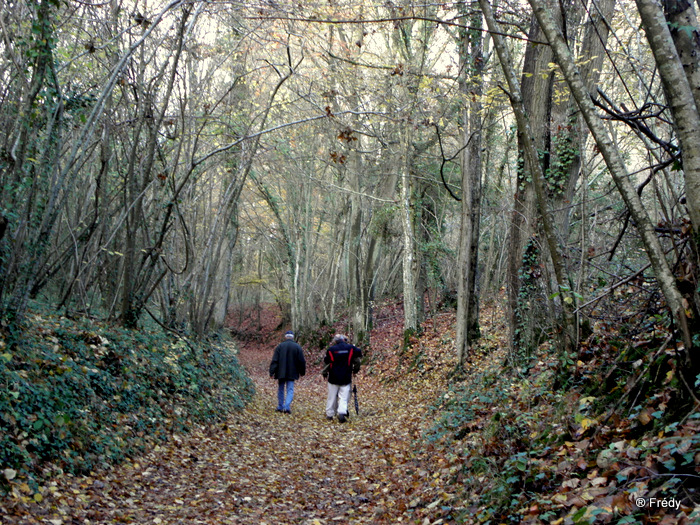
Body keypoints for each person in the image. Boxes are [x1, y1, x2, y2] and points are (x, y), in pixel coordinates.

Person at [323, 334, 361, 423]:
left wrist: (324, 373)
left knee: (331, 397)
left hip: (333, 377)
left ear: (335, 341)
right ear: (344, 340)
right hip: (346, 376)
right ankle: (341, 412)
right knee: (344, 397)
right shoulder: (351, 348)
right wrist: (355, 370)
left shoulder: (331, 350)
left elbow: (326, 363)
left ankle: (330, 414)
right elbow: (358, 357)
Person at [269, 330, 306, 414]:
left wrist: (272, 372)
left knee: (281, 389)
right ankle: (287, 407)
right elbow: (301, 361)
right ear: (293, 337)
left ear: (285, 337)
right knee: (290, 389)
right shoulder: (297, 347)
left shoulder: (280, 346)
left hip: (280, 372)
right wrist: (302, 372)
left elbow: (275, 360)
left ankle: (280, 406)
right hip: (292, 372)